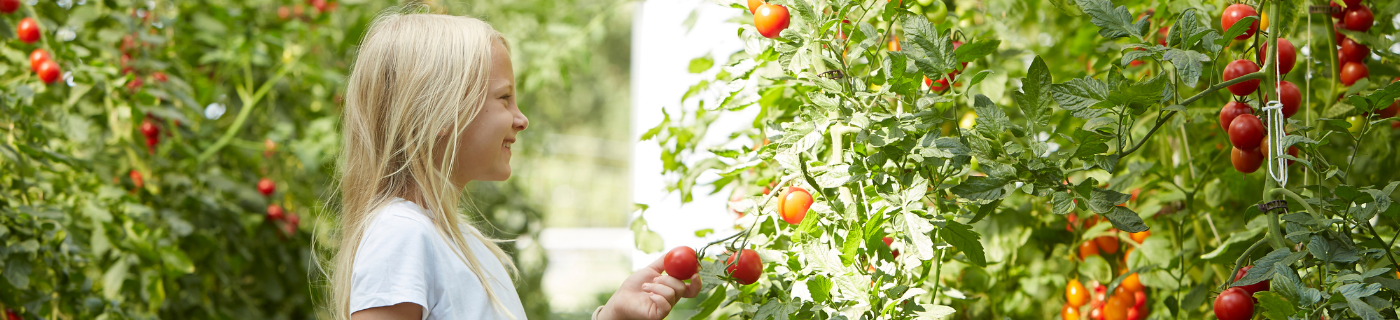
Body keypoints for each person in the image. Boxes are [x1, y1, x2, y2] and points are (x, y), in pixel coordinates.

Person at [322, 7, 702, 320]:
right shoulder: (401, 235)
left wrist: (613, 317)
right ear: (438, 115)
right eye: (504, 98)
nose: (521, 119)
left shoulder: (460, 243)